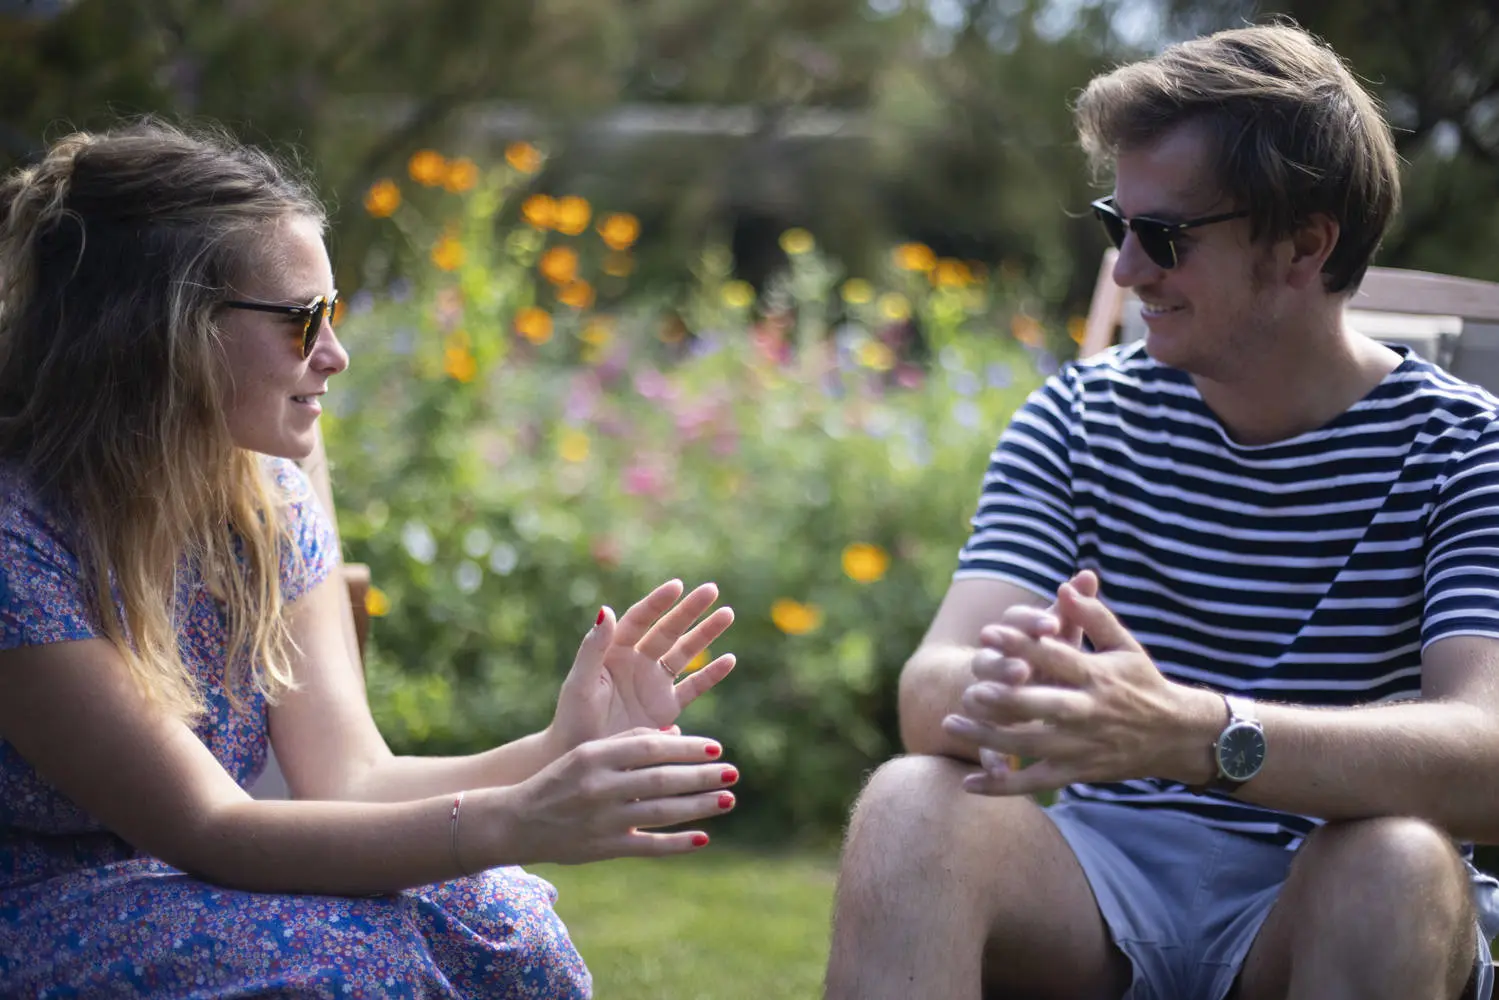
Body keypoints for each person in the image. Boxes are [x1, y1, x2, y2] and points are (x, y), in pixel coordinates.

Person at [825, 21, 1499, 1000]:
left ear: (1303, 246)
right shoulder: (1077, 417)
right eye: (1119, 225)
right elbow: (930, 689)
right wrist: (1023, 679)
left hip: (1326, 884)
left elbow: (1487, 754)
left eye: (1165, 238)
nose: (1126, 271)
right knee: (906, 804)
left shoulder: (1465, 450)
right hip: (1099, 886)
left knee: (1392, 864)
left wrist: (1196, 733)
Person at [0, 120, 742, 999]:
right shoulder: (19, 544)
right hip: (43, 911)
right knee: (354, 966)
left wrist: (557, 750)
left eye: (334, 313)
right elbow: (210, 826)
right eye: (303, 320)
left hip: (189, 888)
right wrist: (516, 820)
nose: (336, 354)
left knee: (511, 929)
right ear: (163, 332)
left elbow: (351, 780)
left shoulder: (265, 506)